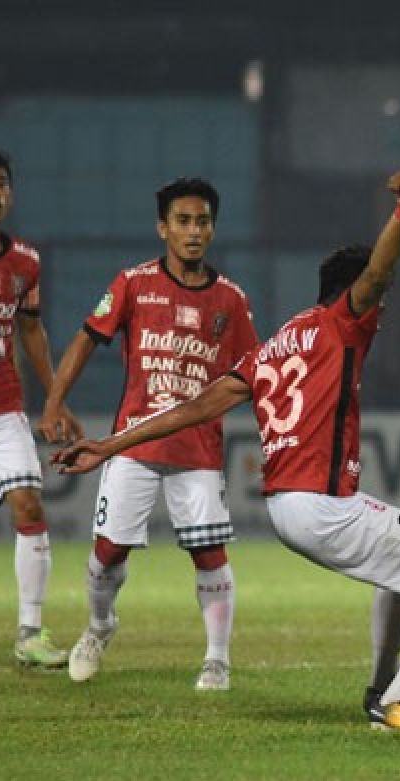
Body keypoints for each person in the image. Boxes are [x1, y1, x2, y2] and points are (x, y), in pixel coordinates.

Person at [54, 168, 400, 733]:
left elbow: (194, 406)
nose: (380, 307)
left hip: (286, 508)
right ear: (354, 294)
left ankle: (381, 691)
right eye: (374, 298)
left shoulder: (281, 341)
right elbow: (380, 271)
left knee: (399, 576)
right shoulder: (341, 324)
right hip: (321, 505)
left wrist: (108, 445)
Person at [38, 177, 259, 690]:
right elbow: (86, 338)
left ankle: (217, 659)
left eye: (202, 221)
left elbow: (253, 374)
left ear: (213, 227)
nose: (194, 230)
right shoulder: (133, 284)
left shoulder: (231, 299)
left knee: (208, 552)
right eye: (183, 221)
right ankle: (99, 627)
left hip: (198, 450)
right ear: (163, 227)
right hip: (133, 445)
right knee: (108, 550)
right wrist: (54, 400)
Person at [0, 148, 81, 668]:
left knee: (28, 505)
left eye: (1, 182)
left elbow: (30, 329)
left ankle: (29, 632)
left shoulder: (24, 261)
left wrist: (54, 400)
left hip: (4, 409)